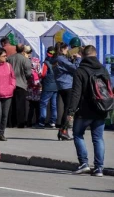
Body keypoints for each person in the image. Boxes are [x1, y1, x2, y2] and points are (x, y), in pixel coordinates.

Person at [68, 45, 109, 177]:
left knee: (78, 134)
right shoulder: (103, 69)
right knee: (98, 138)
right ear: (95, 54)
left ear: (83, 55)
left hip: (84, 110)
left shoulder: (81, 71)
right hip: (101, 108)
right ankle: (99, 168)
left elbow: (76, 93)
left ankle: (84, 164)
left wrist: (71, 111)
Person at [53, 42, 80, 141]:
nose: (67, 51)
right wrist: (78, 59)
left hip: (62, 85)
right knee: (68, 109)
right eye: (66, 49)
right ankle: (63, 131)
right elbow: (75, 68)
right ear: (62, 49)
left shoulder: (57, 59)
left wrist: (72, 60)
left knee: (67, 108)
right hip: (67, 85)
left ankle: (63, 131)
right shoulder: (61, 59)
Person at [7, 43, 32, 129]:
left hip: (10, 84)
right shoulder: (25, 60)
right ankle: (20, 122)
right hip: (21, 84)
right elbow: (29, 73)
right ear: (23, 50)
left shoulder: (9, 58)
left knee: (11, 104)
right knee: (21, 104)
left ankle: (11, 122)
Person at [37, 46, 58, 128]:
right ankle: (53, 122)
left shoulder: (46, 63)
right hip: (56, 86)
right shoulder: (57, 61)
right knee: (54, 105)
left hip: (47, 85)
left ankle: (42, 122)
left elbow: (42, 74)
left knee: (43, 104)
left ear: (47, 53)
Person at [26, 51, 42, 128]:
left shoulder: (30, 71)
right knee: (37, 108)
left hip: (30, 91)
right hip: (36, 92)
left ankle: (29, 122)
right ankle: (38, 121)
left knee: (31, 108)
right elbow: (37, 83)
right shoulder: (36, 73)